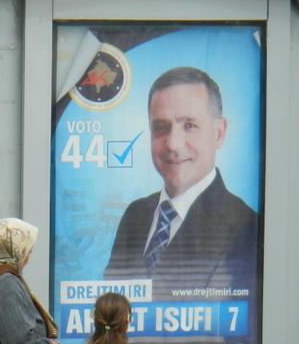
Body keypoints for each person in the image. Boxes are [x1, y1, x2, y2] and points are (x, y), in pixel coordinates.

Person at [104, 67, 258, 297]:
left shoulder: (246, 228)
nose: (173, 144)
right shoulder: (136, 215)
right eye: (161, 127)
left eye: (189, 126)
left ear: (219, 133)